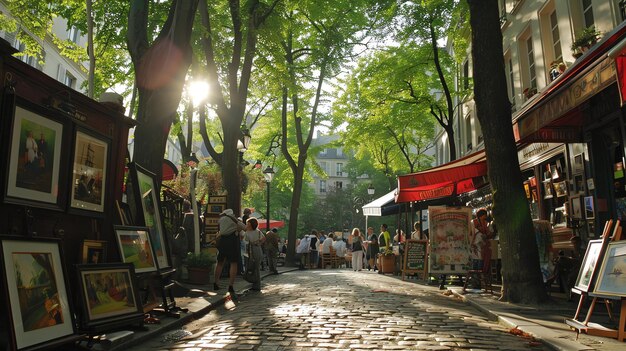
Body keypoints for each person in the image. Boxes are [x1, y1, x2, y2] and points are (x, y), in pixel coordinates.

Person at [213, 209, 246, 299]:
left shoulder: (221, 220)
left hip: (223, 242)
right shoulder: (234, 220)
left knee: (220, 262)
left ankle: (216, 282)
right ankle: (230, 285)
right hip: (232, 242)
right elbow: (245, 228)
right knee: (233, 263)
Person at [244, 217, 265, 291]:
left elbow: (245, 243)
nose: (246, 225)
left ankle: (255, 284)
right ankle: (257, 284)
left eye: (248, 223)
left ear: (250, 224)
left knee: (252, 267)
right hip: (258, 249)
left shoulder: (247, 232)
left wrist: (252, 243)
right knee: (256, 268)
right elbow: (263, 239)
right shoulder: (258, 231)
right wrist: (258, 243)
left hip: (251, 250)